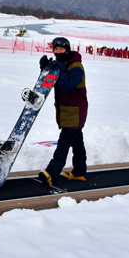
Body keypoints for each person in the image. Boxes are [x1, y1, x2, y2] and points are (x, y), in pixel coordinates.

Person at [38, 37, 88, 187]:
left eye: (61, 49)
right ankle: (79, 172)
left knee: (64, 144)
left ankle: (51, 174)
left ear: (68, 49)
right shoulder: (64, 64)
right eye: (56, 49)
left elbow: (66, 86)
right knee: (77, 143)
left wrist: (59, 66)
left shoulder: (76, 67)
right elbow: (52, 82)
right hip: (68, 110)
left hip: (75, 111)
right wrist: (46, 68)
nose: (58, 52)